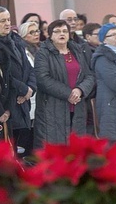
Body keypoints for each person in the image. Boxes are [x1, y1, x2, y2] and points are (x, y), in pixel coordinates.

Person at [33, 20, 95, 148]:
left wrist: (80, 90)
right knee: (56, 148)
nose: (62, 34)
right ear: (50, 35)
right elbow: (43, 79)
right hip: (53, 107)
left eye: (65, 31)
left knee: (76, 146)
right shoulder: (43, 53)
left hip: (77, 106)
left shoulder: (77, 51)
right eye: (57, 31)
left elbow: (89, 76)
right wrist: (69, 94)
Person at [0, 6, 36, 156]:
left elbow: (29, 67)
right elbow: (3, 73)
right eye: (2, 21)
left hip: (24, 100)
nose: (7, 23)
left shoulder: (16, 40)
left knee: (22, 146)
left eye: (8, 20)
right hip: (9, 99)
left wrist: (30, 89)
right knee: (9, 147)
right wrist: (23, 89)